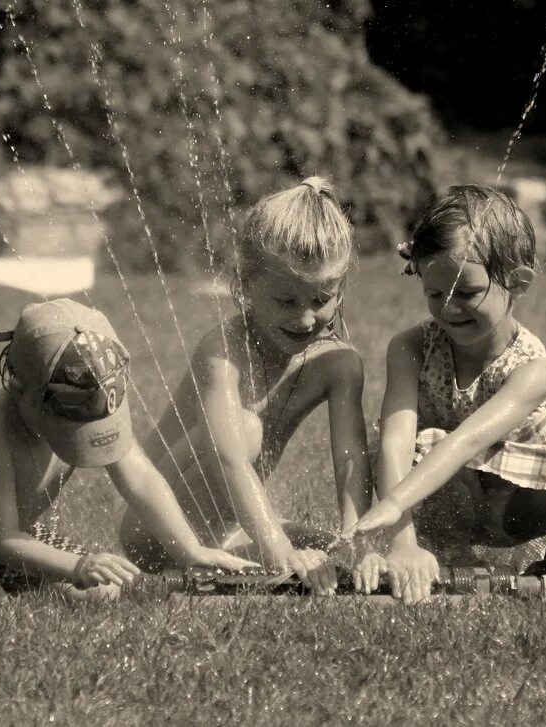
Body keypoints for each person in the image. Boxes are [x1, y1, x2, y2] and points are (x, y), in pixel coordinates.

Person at [0, 298, 255, 606]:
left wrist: (191, 551)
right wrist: (78, 565)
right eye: (70, 429)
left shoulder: (100, 396)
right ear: (19, 389)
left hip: (13, 533)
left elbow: (141, 480)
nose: (84, 434)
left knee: (102, 592)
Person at [348, 184, 546, 603]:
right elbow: (394, 441)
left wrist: (396, 501)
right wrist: (401, 536)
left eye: (465, 293)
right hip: (444, 500)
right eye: (434, 293)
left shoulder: (531, 369)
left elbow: (469, 441)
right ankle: (446, 550)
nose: (448, 308)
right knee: (420, 444)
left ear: (517, 283)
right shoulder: (410, 348)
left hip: (518, 501)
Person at [117, 177, 375, 595]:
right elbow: (229, 458)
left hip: (225, 525)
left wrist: (356, 543)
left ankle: (247, 547)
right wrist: (277, 551)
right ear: (245, 286)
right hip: (151, 522)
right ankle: (238, 551)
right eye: (286, 302)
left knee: (326, 549)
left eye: (321, 299)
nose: (306, 318)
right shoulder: (220, 352)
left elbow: (351, 460)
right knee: (246, 429)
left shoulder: (340, 364)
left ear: (340, 289)